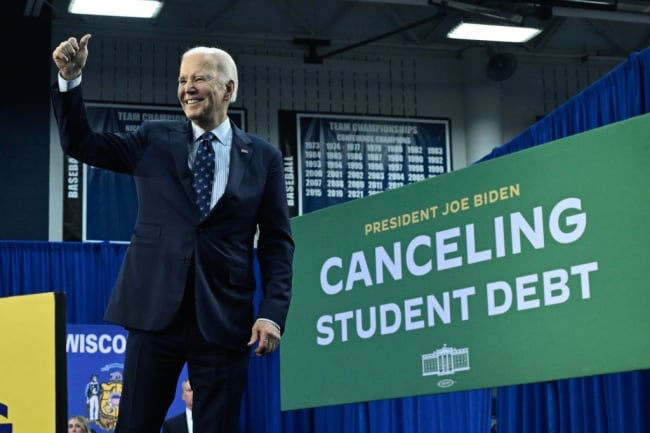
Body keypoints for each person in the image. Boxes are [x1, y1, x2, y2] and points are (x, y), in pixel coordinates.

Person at [52, 34, 294, 433]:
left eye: (198, 78)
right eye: (182, 80)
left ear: (228, 88)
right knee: (135, 424)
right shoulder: (153, 139)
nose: (187, 88)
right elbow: (82, 144)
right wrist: (70, 80)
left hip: (223, 315)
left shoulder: (264, 158)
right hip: (154, 310)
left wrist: (271, 313)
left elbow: (277, 243)